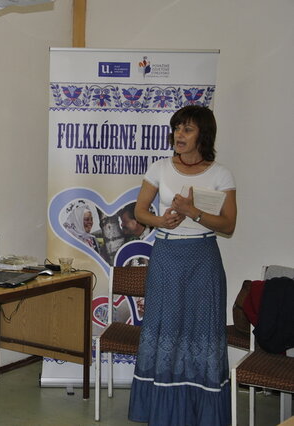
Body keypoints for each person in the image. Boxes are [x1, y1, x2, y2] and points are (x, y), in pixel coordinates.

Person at [128, 105, 237, 426]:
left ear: (203, 134)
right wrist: (161, 219)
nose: (179, 134)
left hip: (203, 259)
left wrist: (193, 212)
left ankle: (200, 412)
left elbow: (228, 225)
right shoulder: (159, 168)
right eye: (177, 128)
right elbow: (139, 211)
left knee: (201, 329)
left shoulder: (221, 174)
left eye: (187, 129)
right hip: (166, 257)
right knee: (165, 327)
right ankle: (161, 410)